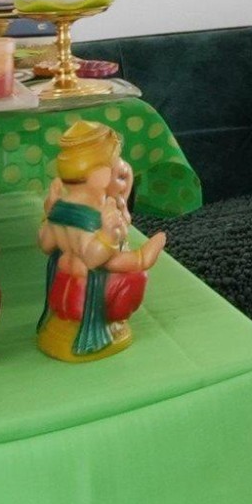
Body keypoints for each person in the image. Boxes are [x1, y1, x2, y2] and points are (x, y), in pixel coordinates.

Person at [33, 117, 165, 362]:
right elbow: (93, 258)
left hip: (66, 284)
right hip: (88, 294)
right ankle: (139, 260)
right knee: (134, 274)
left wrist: (47, 214)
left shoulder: (61, 209)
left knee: (120, 263)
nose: (120, 170)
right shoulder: (93, 217)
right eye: (114, 166)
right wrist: (106, 235)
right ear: (100, 175)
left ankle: (137, 260)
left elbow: (46, 244)